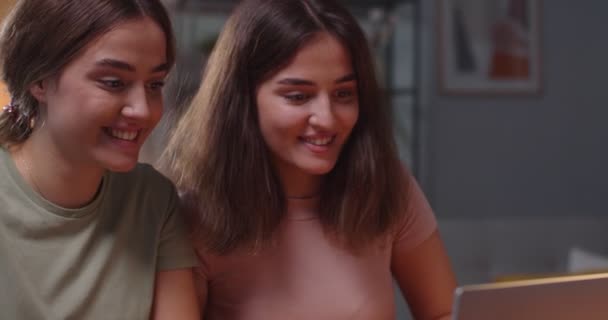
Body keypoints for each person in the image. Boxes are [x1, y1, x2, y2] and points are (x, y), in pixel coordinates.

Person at [161, 0, 456, 319]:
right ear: (243, 100)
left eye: (343, 94)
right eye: (298, 96)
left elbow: (443, 313)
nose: (327, 119)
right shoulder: (192, 216)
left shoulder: (388, 187)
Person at [0, 1, 200, 319]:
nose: (143, 110)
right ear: (39, 81)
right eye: (113, 83)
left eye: (154, 85)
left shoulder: (152, 199)